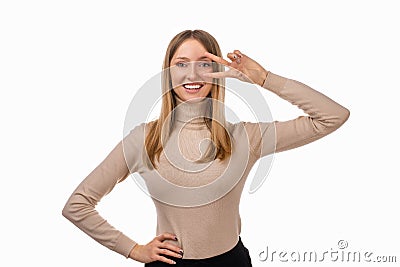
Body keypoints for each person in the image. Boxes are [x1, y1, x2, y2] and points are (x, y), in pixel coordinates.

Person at [62, 29, 350, 266]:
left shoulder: (244, 137)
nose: (193, 74)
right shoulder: (144, 139)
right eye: (181, 63)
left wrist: (263, 78)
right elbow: (77, 205)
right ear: (168, 72)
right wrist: (133, 249)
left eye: (204, 62)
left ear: (217, 71)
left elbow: (332, 116)